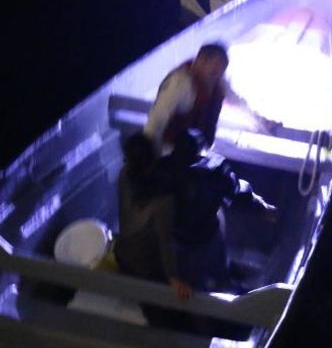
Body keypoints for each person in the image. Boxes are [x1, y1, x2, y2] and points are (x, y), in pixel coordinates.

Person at [165, 128, 277, 292]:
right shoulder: (214, 168)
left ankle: (215, 283)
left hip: (177, 238)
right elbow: (237, 193)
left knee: (191, 277)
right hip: (205, 236)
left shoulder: (164, 167)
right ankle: (222, 285)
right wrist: (263, 207)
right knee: (212, 268)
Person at [143, 42, 272, 154]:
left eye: (221, 71)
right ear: (200, 61)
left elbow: (238, 104)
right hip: (169, 153)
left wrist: (263, 122)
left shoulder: (218, 81)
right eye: (214, 70)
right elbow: (157, 120)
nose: (217, 76)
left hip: (197, 153)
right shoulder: (179, 83)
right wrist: (147, 156)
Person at [114, 133, 193, 300]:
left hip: (121, 254)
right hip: (144, 268)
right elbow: (166, 243)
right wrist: (174, 277)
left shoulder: (123, 175)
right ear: (152, 160)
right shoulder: (163, 202)